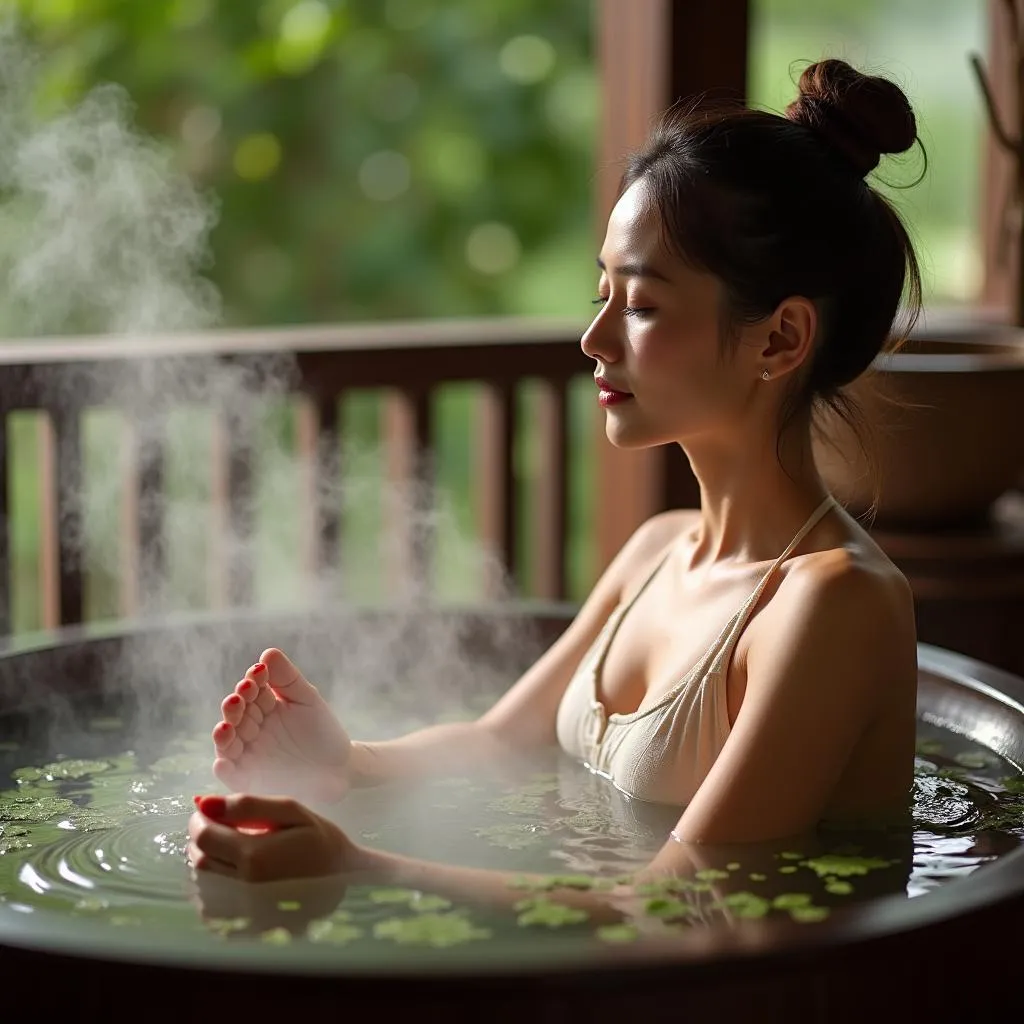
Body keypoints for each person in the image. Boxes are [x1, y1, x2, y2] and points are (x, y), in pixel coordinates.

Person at [188, 59, 921, 899]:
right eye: (601, 291)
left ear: (780, 339)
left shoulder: (837, 601)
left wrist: (356, 866)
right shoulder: (661, 549)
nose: (594, 338)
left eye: (640, 305)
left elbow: (674, 909)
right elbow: (506, 742)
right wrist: (350, 764)